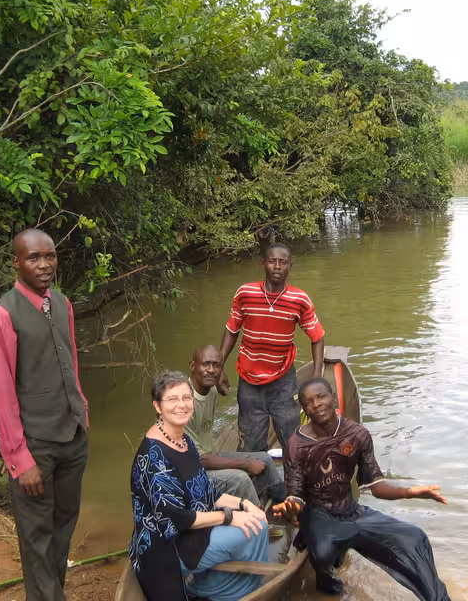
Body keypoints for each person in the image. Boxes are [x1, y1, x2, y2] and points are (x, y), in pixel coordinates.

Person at [0, 228, 90, 601]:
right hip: (35, 446)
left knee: (63, 526)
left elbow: (69, 362)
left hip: (72, 437)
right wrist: (19, 459)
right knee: (36, 537)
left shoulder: (62, 303)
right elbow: (1, 394)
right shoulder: (2, 316)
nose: (44, 265)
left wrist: (82, 413)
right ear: (16, 263)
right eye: (33, 258)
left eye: (50, 256)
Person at [276, 378, 451, 600]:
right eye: (309, 402)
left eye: (321, 396)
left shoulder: (357, 434)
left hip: (352, 511)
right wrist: (292, 508)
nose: (316, 404)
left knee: (415, 538)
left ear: (334, 398)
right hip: (319, 513)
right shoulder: (296, 445)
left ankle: (437, 598)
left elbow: (376, 487)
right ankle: (328, 583)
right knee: (322, 553)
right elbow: (296, 494)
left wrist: (411, 492)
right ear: (304, 410)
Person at [129, 370, 270, 601]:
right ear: (157, 406)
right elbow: (178, 518)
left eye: (186, 398)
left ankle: (214, 585)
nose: (181, 405)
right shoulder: (154, 457)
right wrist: (229, 517)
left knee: (257, 518)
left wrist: (245, 504)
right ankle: (224, 592)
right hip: (166, 546)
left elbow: (207, 491)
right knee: (256, 529)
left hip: (190, 532)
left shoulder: (183, 441)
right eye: (172, 399)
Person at [218, 242, 325, 452]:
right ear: (264, 264)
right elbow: (232, 330)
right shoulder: (244, 294)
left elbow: (317, 337)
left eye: (283, 262)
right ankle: (256, 482)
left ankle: (296, 481)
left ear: (289, 266)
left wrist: (317, 374)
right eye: (272, 261)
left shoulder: (299, 299)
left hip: (282, 381)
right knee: (250, 445)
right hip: (249, 382)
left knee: (292, 441)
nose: (277, 266)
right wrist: (219, 366)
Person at [184, 344, 287, 506]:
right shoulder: (183, 404)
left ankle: (284, 501)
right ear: (192, 366)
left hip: (209, 455)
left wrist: (220, 374)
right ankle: (258, 521)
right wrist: (245, 464)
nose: (211, 370)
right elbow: (198, 460)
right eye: (205, 364)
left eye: (216, 365)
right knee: (241, 478)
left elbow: (217, 379)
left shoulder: (210, 388)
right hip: (191, 471)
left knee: (265, 458)